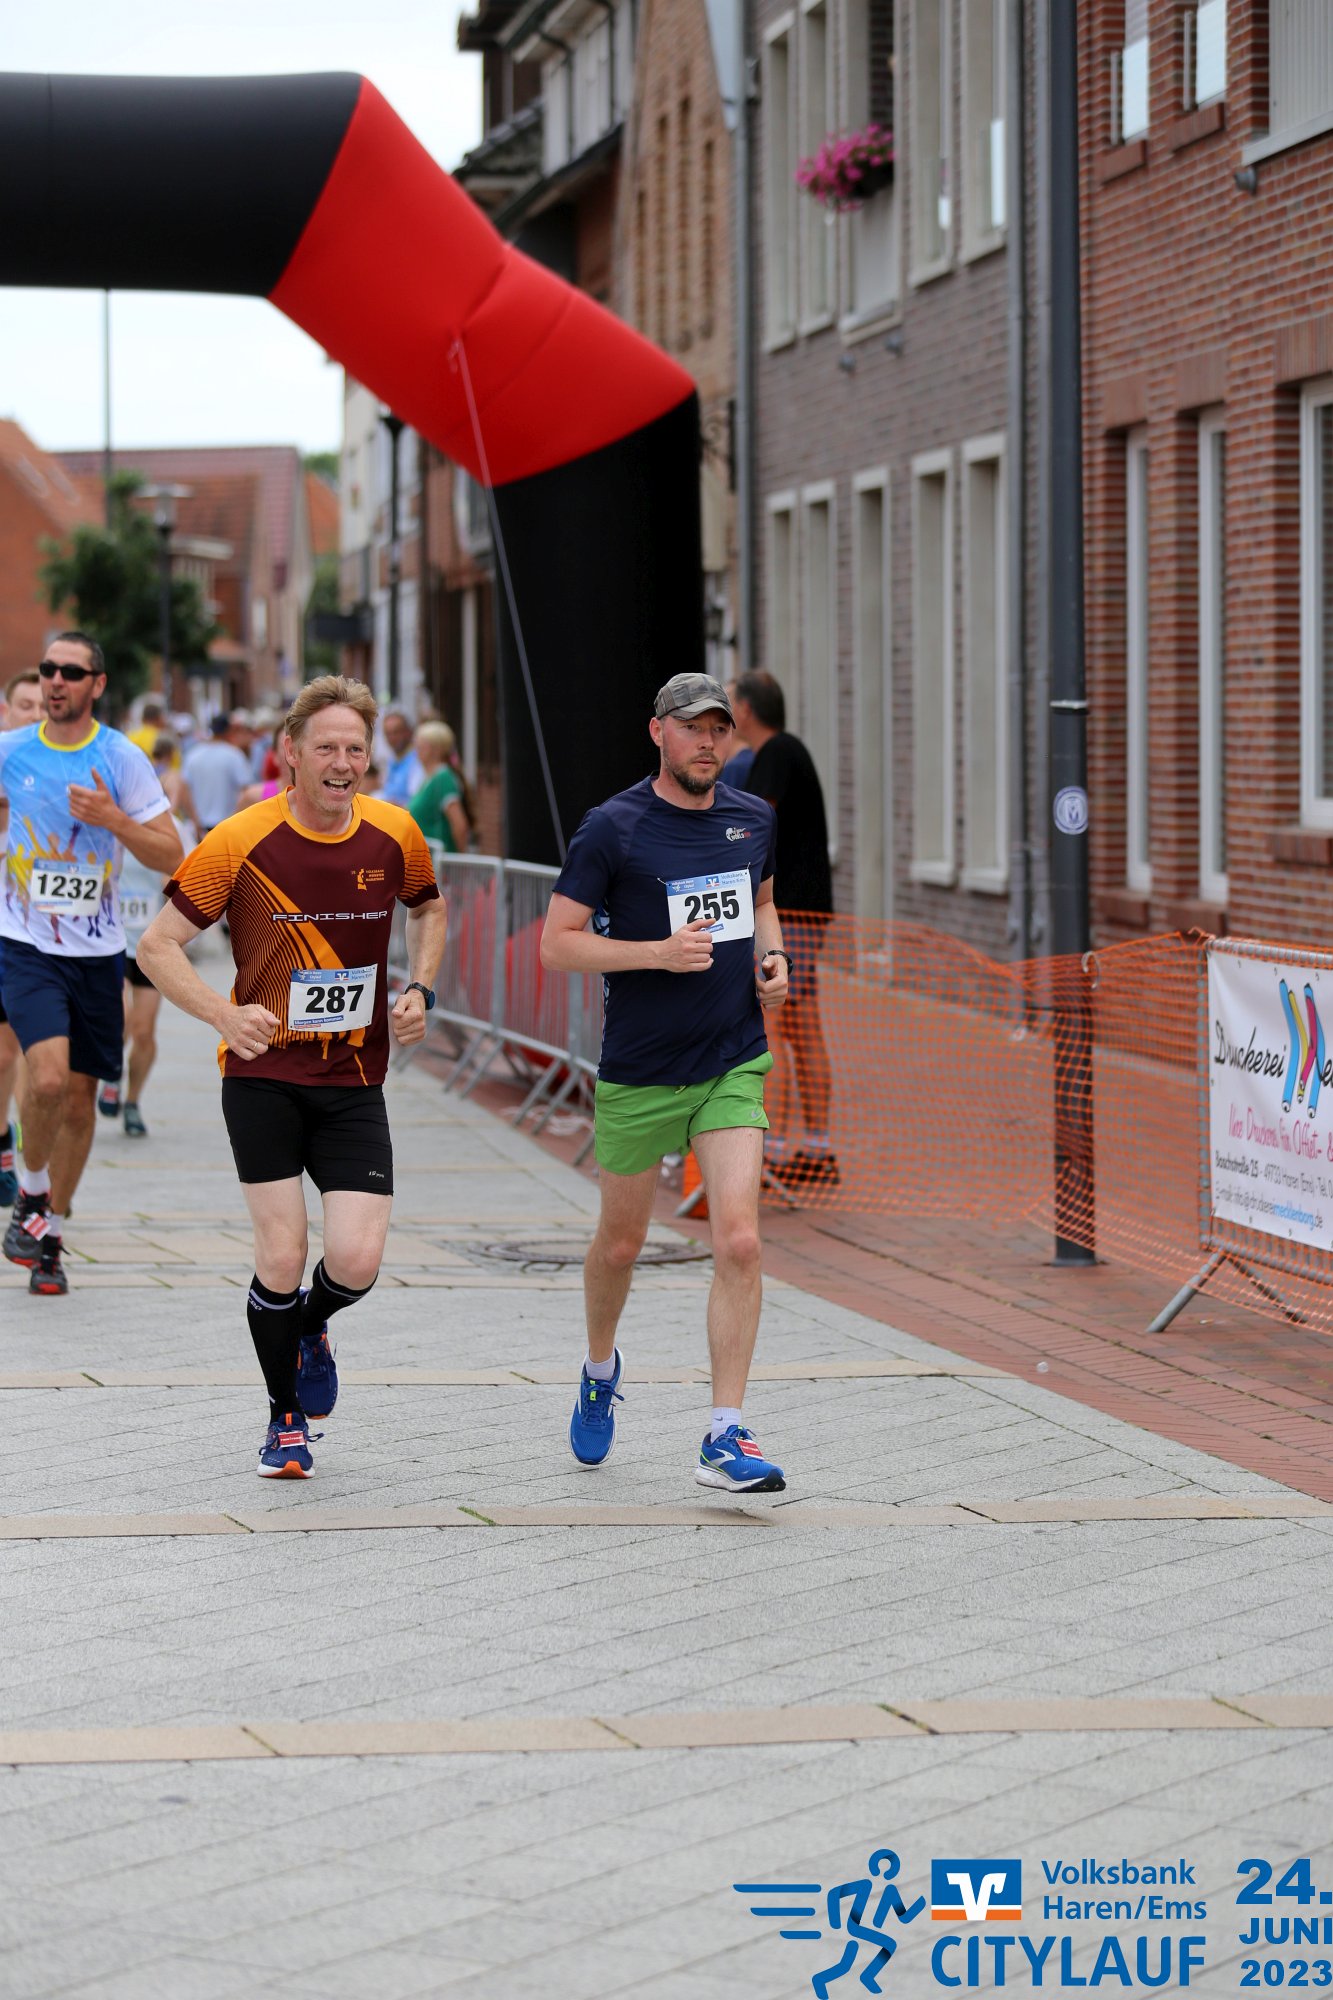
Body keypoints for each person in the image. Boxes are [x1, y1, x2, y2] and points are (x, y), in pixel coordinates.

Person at [137, 674, 447, 1477]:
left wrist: (420, 989)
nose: (342, 763)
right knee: (280, 1254)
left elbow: (429, 907)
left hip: (353, 1077)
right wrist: (221, 1014)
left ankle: (310, 1324)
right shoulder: (239, 840)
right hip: (263, 1075)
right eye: (327, 748)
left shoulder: (394, 832)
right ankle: (283, 1419)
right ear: (291, 754)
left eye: (355, 749)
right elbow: (157, 945)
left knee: (357, 1259)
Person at [540, 671, 792, 1493]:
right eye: (691, 728)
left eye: (718, 728)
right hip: (641, 1070)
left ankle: (724, 1432)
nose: (706, 742)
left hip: (730, 1058)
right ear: (658, 733)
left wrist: (772, 958)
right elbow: (557, 942)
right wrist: (654, 954)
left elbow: (762, 902)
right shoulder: (612, 828)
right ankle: (599, 1369)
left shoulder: (752, 819)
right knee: (621, 1246)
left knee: (740, 1240)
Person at [0, 634, 184, 1295]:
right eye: (48, 669)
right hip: (25, 944)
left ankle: (49, 1233)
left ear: (96, 684)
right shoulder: (11, 751)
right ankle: (31, 1190)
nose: (56, 680)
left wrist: (113, 818)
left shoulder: (121, 758)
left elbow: (171, 854)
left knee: (80, 1104)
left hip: (98, 951)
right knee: (48, 1078)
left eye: (70, 672)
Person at [731, 670, 838, 1187]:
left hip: (792, 913)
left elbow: (753, 822)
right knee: (796, 1026)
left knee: (785, 1025)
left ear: (746, 710)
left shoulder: (776, 753)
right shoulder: (783, 751)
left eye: (729, 705)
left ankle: (788, 1148)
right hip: (798, 909)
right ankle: (809, 1146)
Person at [0, 669, 46, 1205]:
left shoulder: (58, 778)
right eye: (25, 706)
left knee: (27, 1054)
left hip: (34, 940)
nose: (35, 714)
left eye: (42, 706)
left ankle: (25, 1163)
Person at [183, 712, 252, 836]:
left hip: (199, 824)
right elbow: (246, 790)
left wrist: (194, 820)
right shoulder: (234, 755)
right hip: (226, 824)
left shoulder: (193, 755)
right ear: (229, 731)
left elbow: (185, 789)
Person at [408, 720, 470, 853]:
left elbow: (460, 825)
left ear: (437, 749)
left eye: (422, 745)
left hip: (440, 859)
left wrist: (458, 860)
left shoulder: (443, 778)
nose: (417, 750)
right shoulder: (428, 778)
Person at [380, 709, 423, 807]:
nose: (392, 738)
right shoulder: (391, 761)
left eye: (396, 732)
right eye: (388, 734)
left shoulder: (418, 760)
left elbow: (418, 804)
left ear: (408, 732)